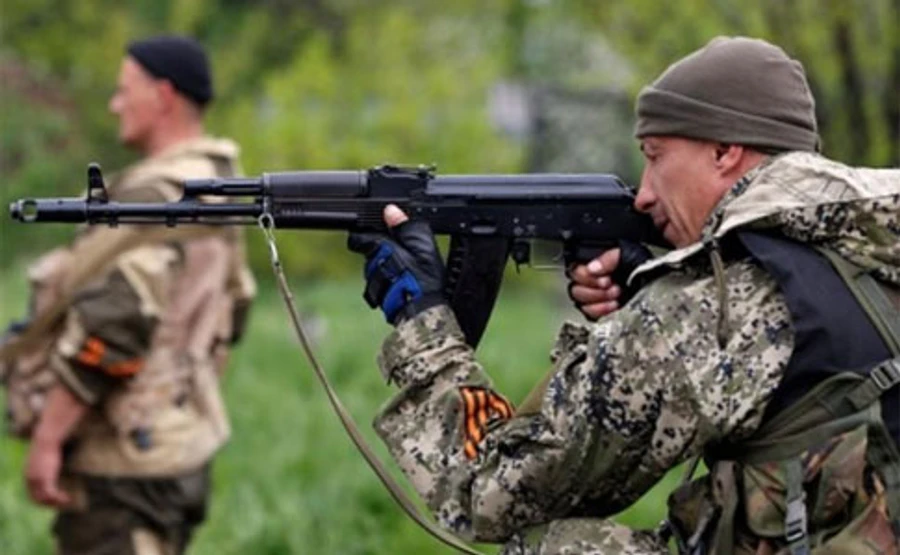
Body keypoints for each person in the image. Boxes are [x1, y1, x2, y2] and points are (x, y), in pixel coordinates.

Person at [348, 36, 899, 553]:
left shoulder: (709, 308)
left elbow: (489, 494)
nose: (643, 194)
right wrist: (649, 286)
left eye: (655, 155)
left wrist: (425, 323)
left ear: (725, 151)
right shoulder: (874, 247)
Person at [4, 35, 255, 554]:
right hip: (179, 435)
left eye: (124, 91)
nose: (114, 105)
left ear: (163, 95)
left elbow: (115, 325)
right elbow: (236, 309)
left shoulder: (158, 196)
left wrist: (49, 438)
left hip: (122, 454)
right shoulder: (217, 183)